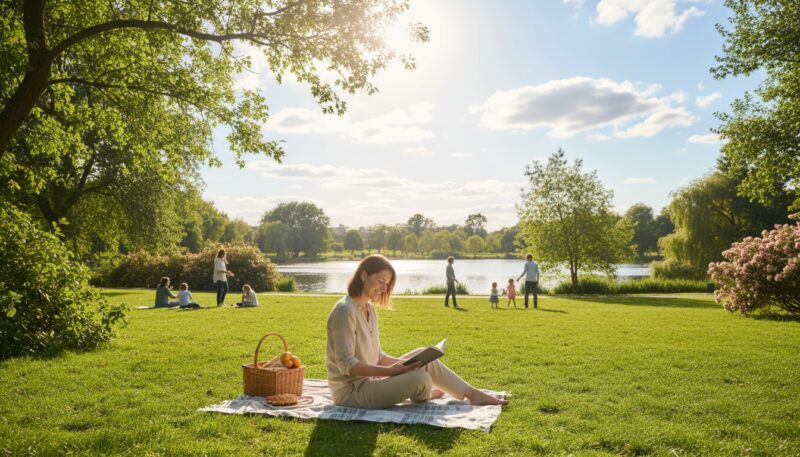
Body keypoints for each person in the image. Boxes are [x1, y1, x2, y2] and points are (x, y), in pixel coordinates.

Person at [326, 254, 508, 409]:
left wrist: (405, 364)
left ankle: (472, 394)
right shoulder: (345, 310)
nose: (383, 288)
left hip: (371, 382)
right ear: (364, 275)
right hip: (351, 394)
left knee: (424, 359)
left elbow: (377, 356)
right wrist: (392, 372)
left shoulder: (369, 309)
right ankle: (424, 393)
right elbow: (347, 365)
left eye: (387, 284)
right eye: (380, 281)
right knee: (421, 378)